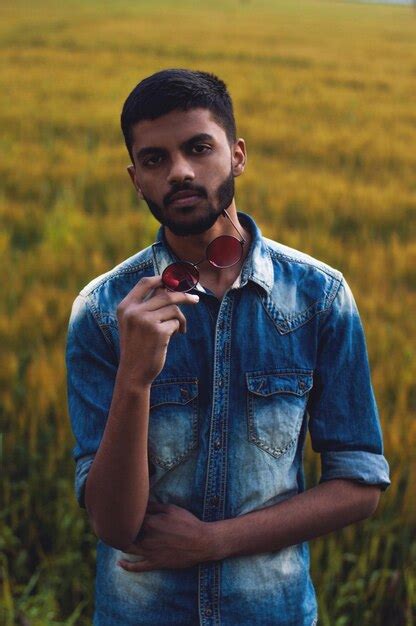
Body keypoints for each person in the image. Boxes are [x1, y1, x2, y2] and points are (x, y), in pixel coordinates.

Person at [65, 68, 390, 626]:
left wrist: (213, 542)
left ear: (237, 154)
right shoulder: (101, 313)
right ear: (135, 179)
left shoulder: (319, 297)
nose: (180, 172)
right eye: (155, 159)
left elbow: (359, 485)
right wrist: (135, 378)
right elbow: (115, 525)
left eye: (198, 148)